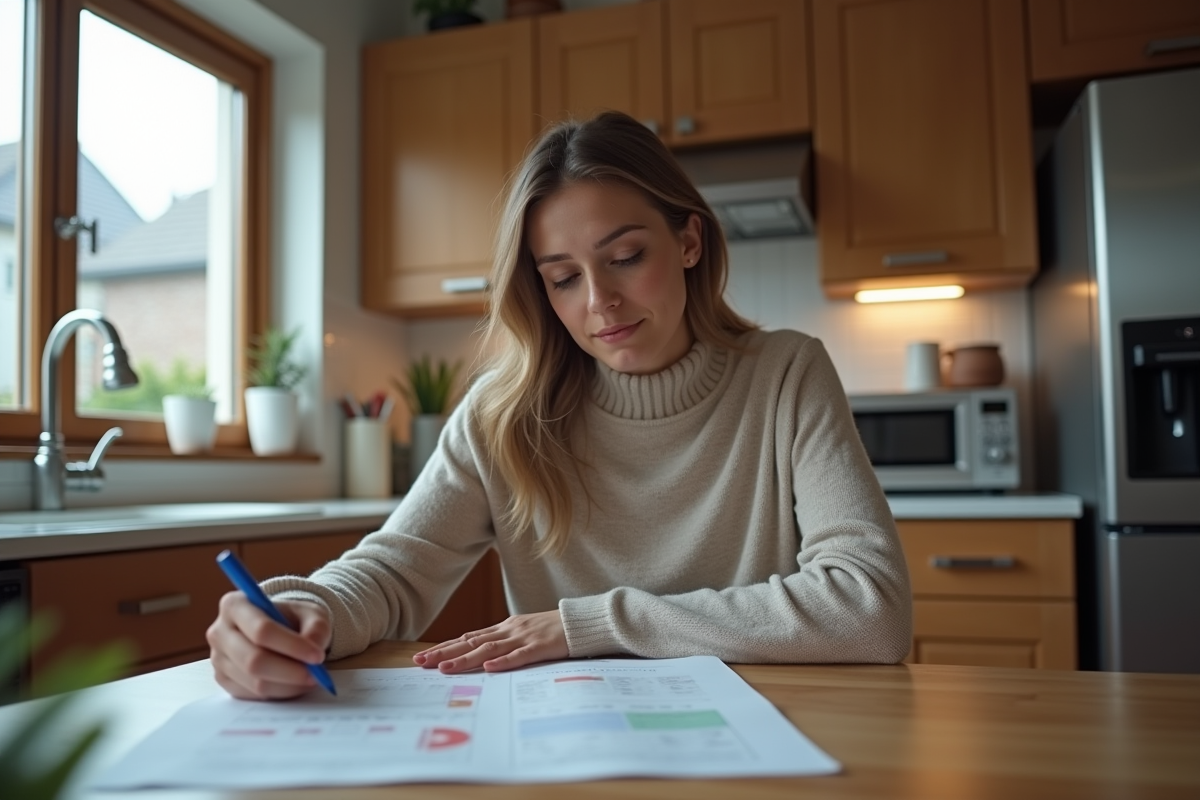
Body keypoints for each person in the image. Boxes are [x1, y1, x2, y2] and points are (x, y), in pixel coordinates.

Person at [207, 111, 913, 700]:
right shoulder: (502, 413)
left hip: (763, 722)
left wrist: (589, 625)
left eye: (627, 256)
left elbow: (870, 609)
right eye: (563, 277)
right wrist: (307, 608)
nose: (599, 302)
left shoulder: (787, 374)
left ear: (689, 240)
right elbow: (396, 572)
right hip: (571, 730)